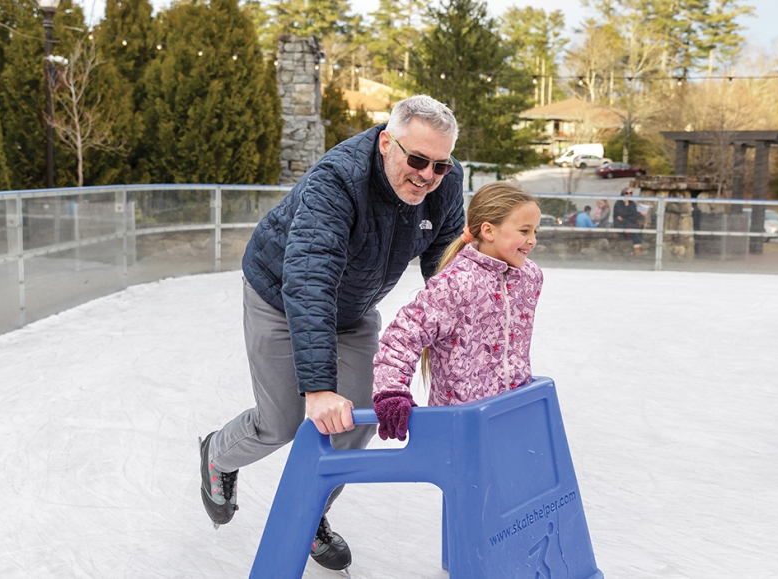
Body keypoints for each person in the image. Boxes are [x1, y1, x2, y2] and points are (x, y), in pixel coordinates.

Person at [198, 95, 465, 572]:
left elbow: (443, 260)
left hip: (355, 307)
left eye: (440, 165)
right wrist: (319, 388)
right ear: (387, 143)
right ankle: (218, 453)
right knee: (281, 422)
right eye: (417, 160)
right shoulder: (337, 181)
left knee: (357, 421)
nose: (427, 175)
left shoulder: (444, 184)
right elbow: (309, 280)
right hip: (281, 297)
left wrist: (467, 330)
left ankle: (311, 514)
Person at [371, 182, 543, 441]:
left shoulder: (529, 277)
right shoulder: (456, 283)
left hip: (510, 414)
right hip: (460, 421)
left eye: (535, 231)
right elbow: (402, 336)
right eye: (524, 230)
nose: (532, 240)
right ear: (488, 230)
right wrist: (391, 391)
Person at [613, 188, 644, 255]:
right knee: (635, 231)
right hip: (620, 224)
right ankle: (637, 251)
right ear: (623, 194)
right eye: (627, 193)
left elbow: (634, 216)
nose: (629, 195)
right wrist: (626, 205)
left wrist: (625, 218)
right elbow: (620, 215)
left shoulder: (632, 203)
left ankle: (637, 249)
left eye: (630, 193)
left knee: (638, 229)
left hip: (629, 223)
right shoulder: (618, 203)